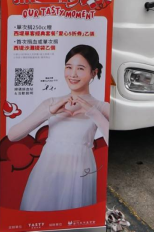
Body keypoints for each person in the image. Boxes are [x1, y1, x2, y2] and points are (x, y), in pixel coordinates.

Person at [7, 45, 110, 212]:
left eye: (80, 68)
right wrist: (49, 112)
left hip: (80, 170)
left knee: (74, 216)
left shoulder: (102, 107)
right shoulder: (52, 102)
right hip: (47, 168)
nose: (73, 74)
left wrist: (93, 113)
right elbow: (12, 135)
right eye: (69, 67)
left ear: (94, 72)